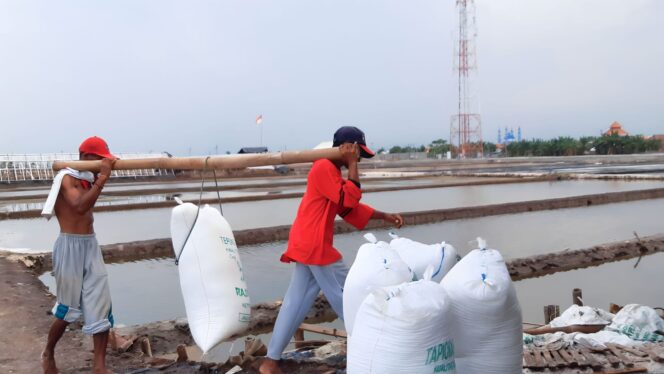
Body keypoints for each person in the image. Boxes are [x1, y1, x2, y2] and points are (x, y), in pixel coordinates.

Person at [259, 126, 404, 374]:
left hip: (309, 243)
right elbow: (348, 199)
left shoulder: (331, 171)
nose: (358, 159)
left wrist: (384, 216)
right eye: (358, 154)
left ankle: (270, 362)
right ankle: (372, 346)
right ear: (350, 148)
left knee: (296, 302)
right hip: (315, 245)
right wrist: (352, 165)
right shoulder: (323, 167)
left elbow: (348, 209)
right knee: (348, 292)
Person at [42, 136, 117, 374]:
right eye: (99, 160)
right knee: (67, 309)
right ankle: (48, 352)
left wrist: (100, 175)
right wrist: (102, 178)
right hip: (69, 247)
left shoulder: (88, 179)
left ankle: (99, 367)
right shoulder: (66, 178)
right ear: (86, 158)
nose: (101, 165)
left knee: (101, 306)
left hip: (90, 245)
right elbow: (79, 207)